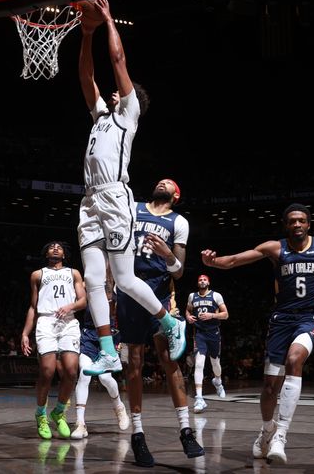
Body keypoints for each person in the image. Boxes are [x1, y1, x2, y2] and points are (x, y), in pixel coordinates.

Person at [76, 0, 186, 377]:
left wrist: (107, 20)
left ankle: (171, 323)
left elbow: (118, 62)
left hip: (113, 196)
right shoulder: (101, 116)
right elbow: (85, 78)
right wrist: (86, 35)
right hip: (89, 199)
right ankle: (108, 350)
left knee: (124, 278)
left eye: (120, 92)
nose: (111, 92)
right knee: (93, 278)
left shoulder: (128, 115)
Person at [201, 203, 314, 465]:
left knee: (294, 360)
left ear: (309, 224)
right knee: (268, 390)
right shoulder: (275, 249)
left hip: (311, 318)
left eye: (301, 220)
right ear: (286, 225)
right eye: (292, 221)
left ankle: (281, 435)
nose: (297, 225)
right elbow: (234, 260)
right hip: (281, 321)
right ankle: (267, 430)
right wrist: (213, 262)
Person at [116, 178, 204, 466]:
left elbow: (178, 272)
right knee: (134, 363)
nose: (162, 183)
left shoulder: (178, 222)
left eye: (169, 183)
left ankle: (186, 429)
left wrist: (167, 255)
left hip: (160, 293)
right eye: (160, 181)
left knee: (170, 361)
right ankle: (138, 435)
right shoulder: (133, 207)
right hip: (129, 293)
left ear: (175, 195)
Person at [21, 241, 87, 439]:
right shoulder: (37, 275)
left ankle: (58, 411)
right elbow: (33, 307)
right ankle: (41, 414)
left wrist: (70, 307)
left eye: (59, 247)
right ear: (47, 254)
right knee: (47, 371)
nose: (55, 248)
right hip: (46, 321)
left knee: (71, 370)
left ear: (64, 255)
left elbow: (83, 300)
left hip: (68, 321)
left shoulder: (73, 273)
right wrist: (25, 333)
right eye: (51, 246)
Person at [70, 291, 130, 439]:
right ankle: (80, 423)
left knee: (105, 378)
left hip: (109, 337)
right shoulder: (89, 286)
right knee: (84, 374)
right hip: (89, 336)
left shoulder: (116, 289)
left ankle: (119, 407)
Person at [186, 274, 229, 413]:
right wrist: (188, 316)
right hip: (199, 334)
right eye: (200, 279)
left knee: (215, 363)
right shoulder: (192, 296)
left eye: (204, 279)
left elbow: (226, 314)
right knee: (199, 363)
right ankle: (199, 398)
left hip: (213, 333)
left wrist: (212, 315)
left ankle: (218, 381)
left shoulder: (216, 296)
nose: (202, 281)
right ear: (197, 283)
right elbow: (188, 309)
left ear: (208, 282)